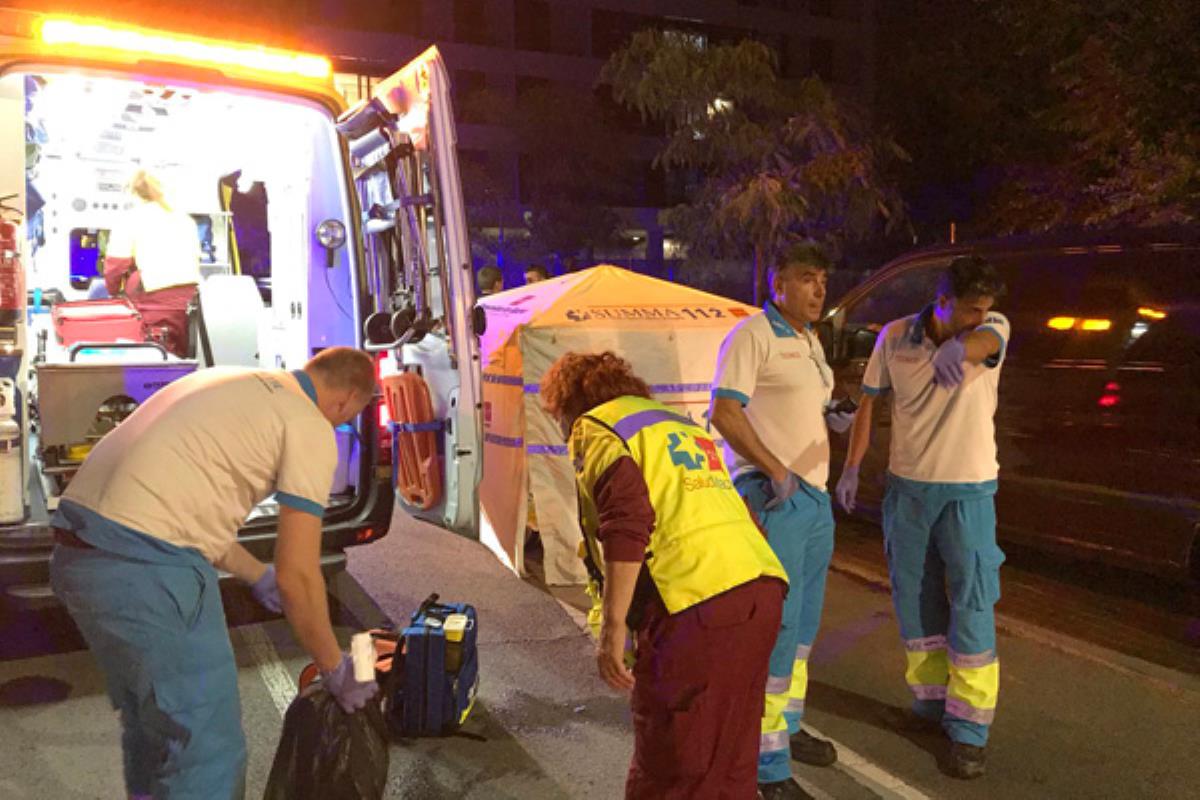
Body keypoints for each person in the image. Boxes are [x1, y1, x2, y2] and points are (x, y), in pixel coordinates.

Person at [49, 347, 380, 799]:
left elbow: (183, 509)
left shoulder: (231, 380)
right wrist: (334, 667)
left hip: (81, 558)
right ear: (346, 400)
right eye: (349, 416)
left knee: (154, 730)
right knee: (203, 750)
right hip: (150, 571)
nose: (341, 424)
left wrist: (254, 573)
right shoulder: (308, 424)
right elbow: (299, 574)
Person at [541, 351, 788, 799]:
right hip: (761, 591)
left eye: (557, 417)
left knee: (673, 761)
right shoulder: (674, 426)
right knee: (730, 757)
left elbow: (627, 522)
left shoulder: (597, 428)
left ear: (570, 404)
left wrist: (612, 630)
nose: (560, 431)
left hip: (700, 609)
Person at [835, 255, 1008, 780]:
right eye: (970, 310)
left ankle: (969, 731)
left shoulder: (991, 328)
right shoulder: (894, 338)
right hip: (907, 493)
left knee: (972, 601)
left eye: (986, 309)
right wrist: (852, 469)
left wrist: (962, 344)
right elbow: (868, 404)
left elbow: (988, 343)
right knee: (914, 604)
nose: (981, 317)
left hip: (967, 493)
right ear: (943, 302)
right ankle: (930, 705)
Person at [709, 242, 855, 800]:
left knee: (804, 628)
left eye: (823, 279)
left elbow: (795, 409)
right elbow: (724, 410)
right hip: (777, 497)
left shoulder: (808, 339)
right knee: (776, 628)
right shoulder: (754, 335)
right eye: (806, 279)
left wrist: (833, 417)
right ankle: (764, 764)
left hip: (812, 499)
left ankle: (785, 730)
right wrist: (774, 470)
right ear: (778, 284)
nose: (819, 289)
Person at [104, 170, 203, 357]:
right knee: (186, 355)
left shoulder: (131, 219)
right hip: (190, 299)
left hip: (153, 301)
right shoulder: (184, 218)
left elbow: (115, 266)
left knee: (157, 358)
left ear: (133, 193)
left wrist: (113, 293)